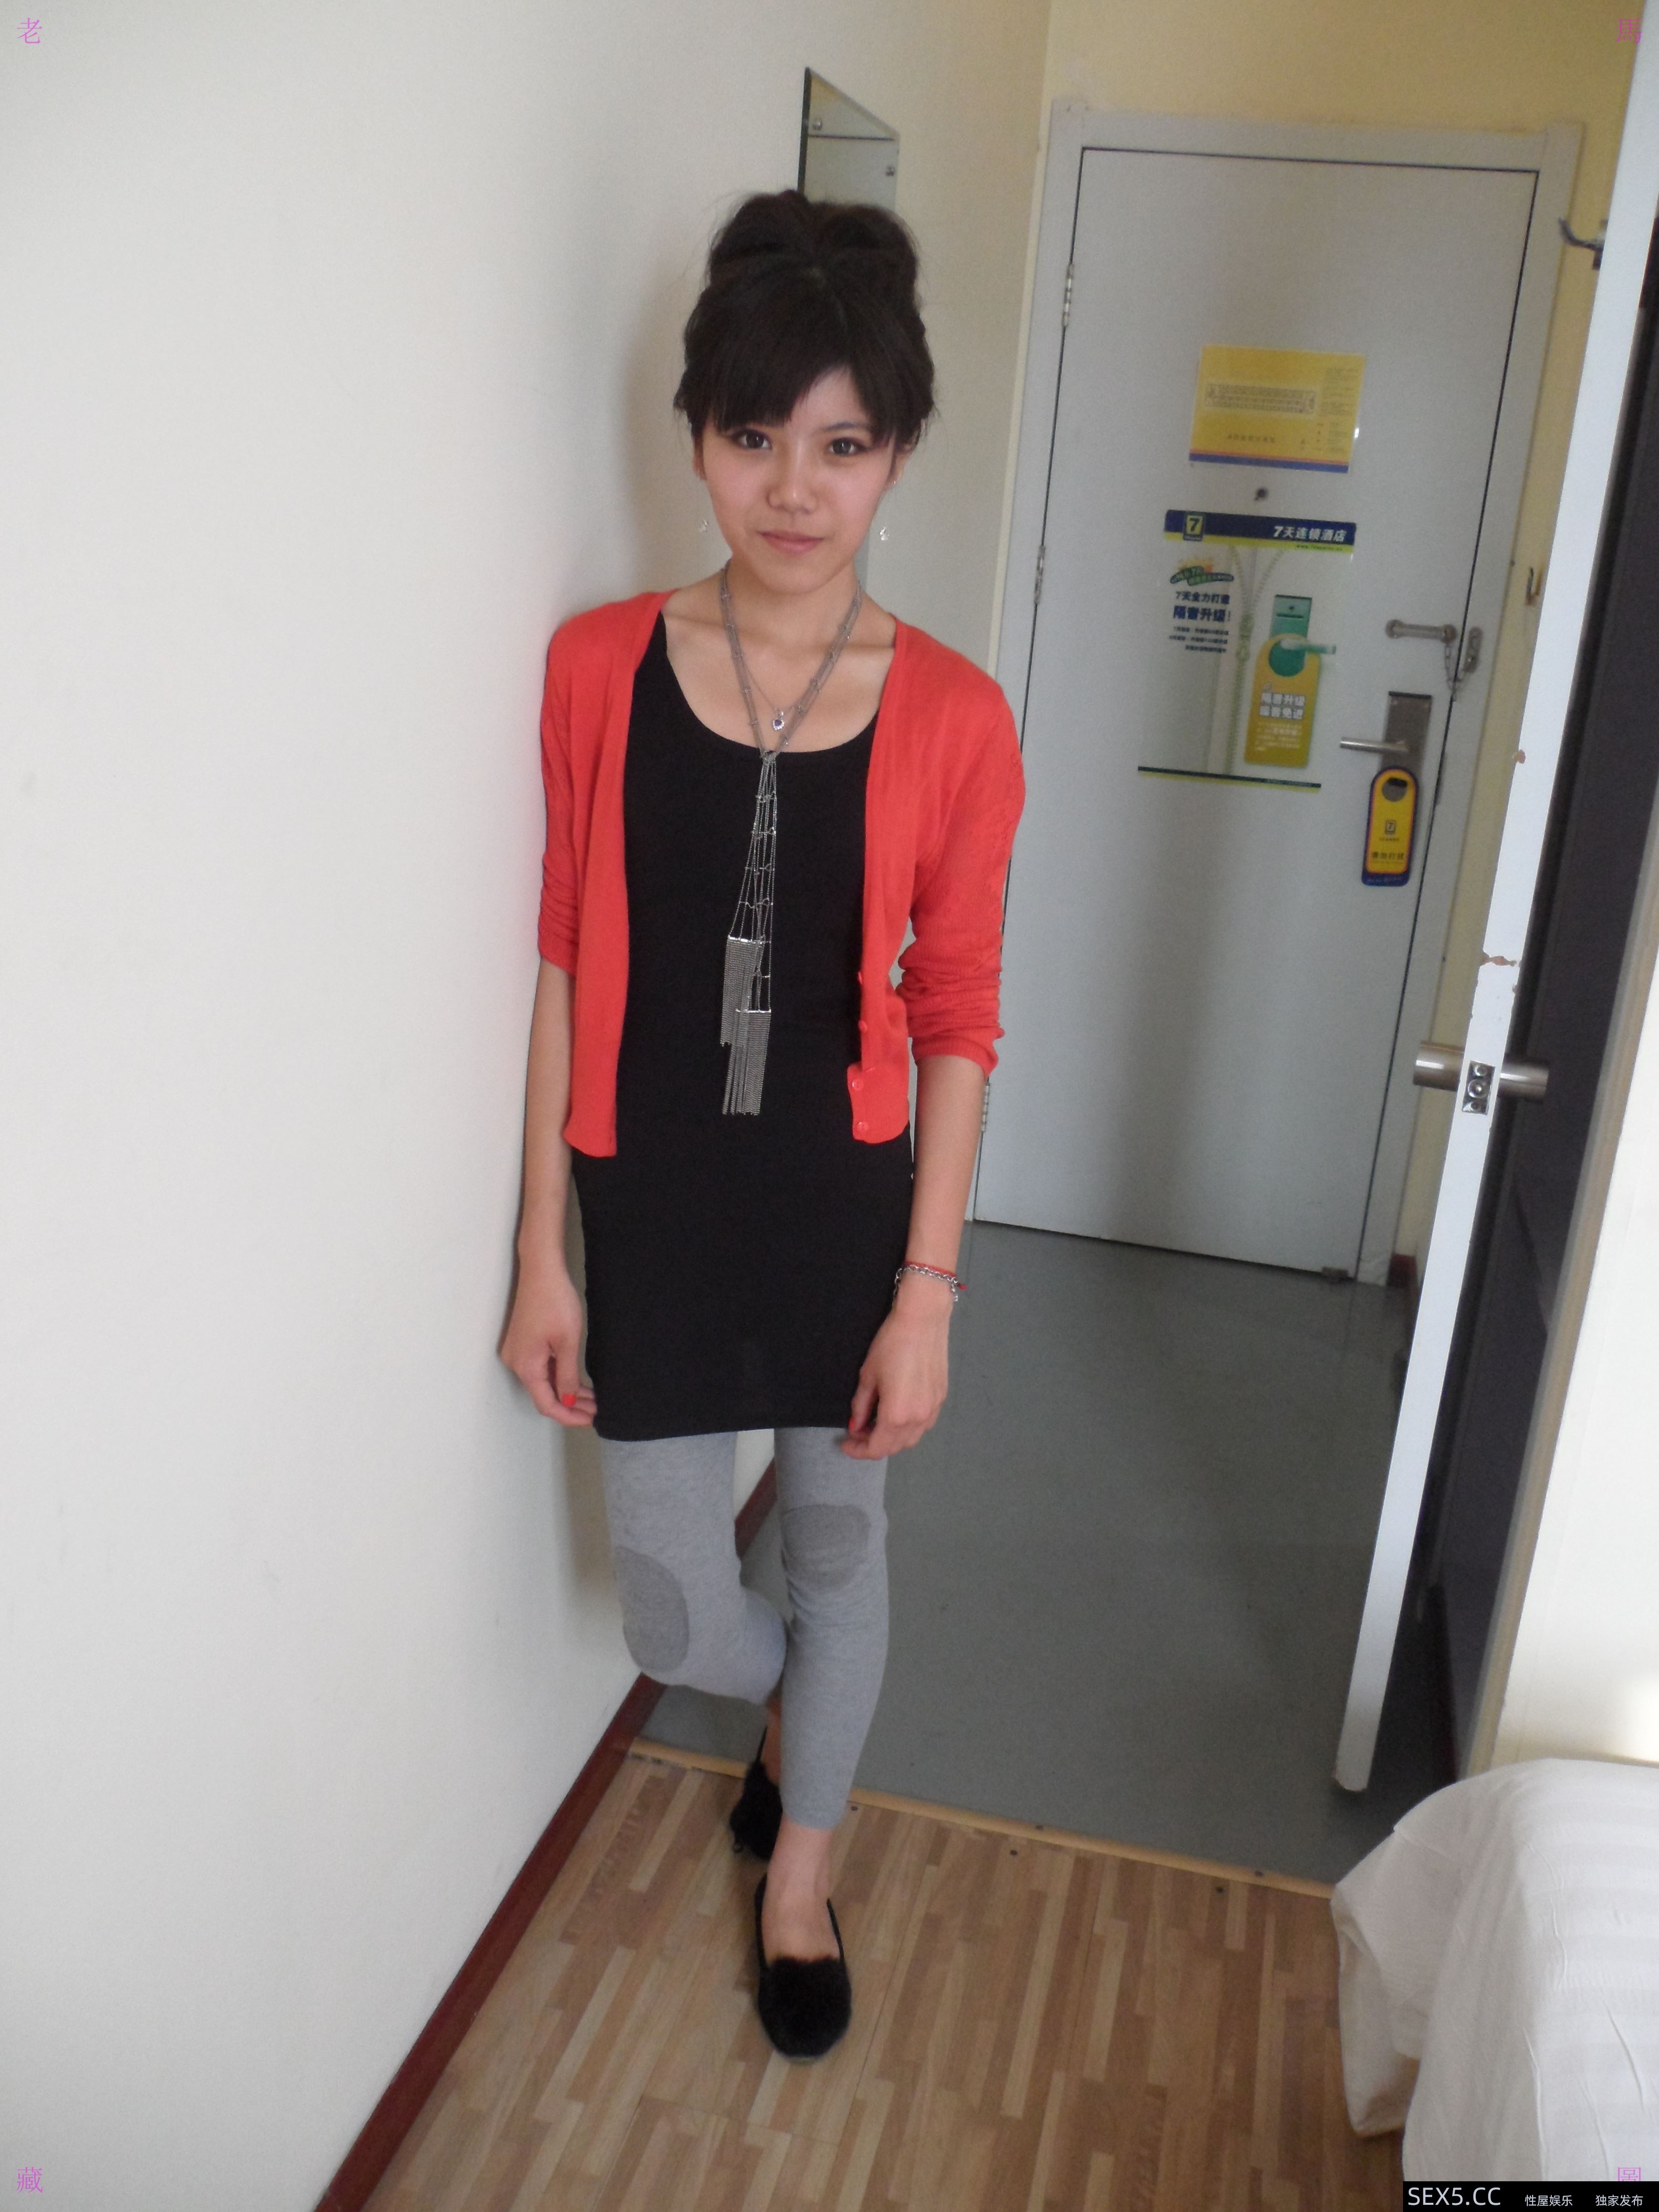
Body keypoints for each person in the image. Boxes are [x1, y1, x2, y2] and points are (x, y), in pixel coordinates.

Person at [500, 188, 1024, 2061]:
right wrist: (543, 1251)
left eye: (843, 445)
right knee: (670, 1607)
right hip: (648, 1204)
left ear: (897, 456)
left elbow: (957, 1022)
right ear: (697, 438)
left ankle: (802, 1873)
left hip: (845, 1211)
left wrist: (928, 1296)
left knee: (836, 1545)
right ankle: (812, 1715)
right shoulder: (596, 667)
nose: (794, 490)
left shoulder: (956, 716)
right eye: (753, 437)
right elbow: (566, 960)